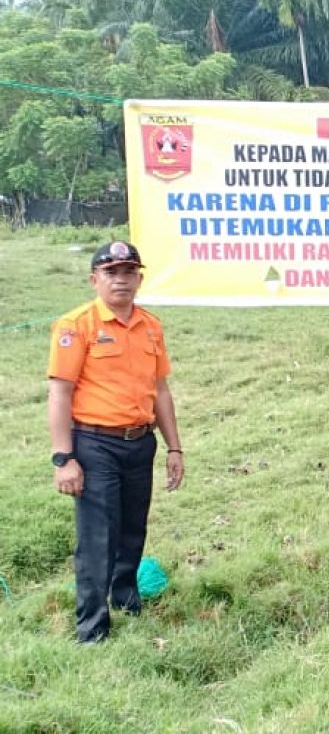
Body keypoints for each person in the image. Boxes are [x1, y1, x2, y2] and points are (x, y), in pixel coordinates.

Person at [47, 241, 185, 643]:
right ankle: (92, 629)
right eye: (111, 273)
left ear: (139, 279)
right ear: (95, 280)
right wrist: (64, 458)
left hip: (140, 443)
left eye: (128, 272)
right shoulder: (77, 326)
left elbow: (160, 390)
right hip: (94, 444)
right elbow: (60, 393)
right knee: (97, 537)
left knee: (131, 530)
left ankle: (127, 600)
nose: (121, 280)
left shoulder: (150, 325)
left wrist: (174, 447)